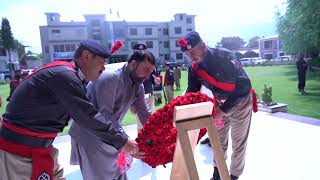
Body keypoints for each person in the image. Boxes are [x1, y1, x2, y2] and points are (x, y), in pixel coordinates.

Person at [0, 39, 141, 180]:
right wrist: (122, 141)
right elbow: (88, 116)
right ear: (86, 57)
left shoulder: (69, 75)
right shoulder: (65, 76)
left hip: (40, 148)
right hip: (19, 153)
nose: (103, 68)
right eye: (101, 62)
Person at [178, 31, 257, 180]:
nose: (191, 56)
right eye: (188, 54)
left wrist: (224, 110)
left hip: (240, 102)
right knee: (218, 140)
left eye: (193, 51)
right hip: (219, 103)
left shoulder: (225, 57)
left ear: (203, 46)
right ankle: (218, 173)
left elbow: (244, 85)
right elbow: (191, 93)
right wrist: (180, 109)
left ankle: (234, 175)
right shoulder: (194, 69)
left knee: (238, 141)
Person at [69, 49, 156, 180]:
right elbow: (105, 115)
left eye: (150, 72)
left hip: (112, 135)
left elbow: (144, 113)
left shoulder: (138, 85)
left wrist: (160, 134)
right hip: (90, 137)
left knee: (120, 174)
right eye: (146, 69)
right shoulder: (110, 76)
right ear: (133, 64)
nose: (148, 76)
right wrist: (126, 142)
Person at [130, 43, 160, 132]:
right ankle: (142, 141)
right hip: (138, 98)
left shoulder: (150, 65)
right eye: (138, 52)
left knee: (149, 118)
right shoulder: (132, 66)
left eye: (143, 52)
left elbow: (154, 79)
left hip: (150, 95)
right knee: (140, 123)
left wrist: (156, 81)